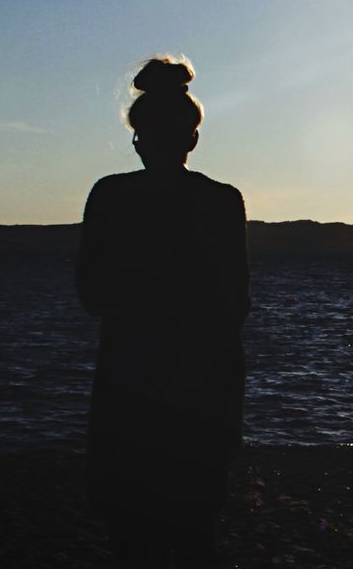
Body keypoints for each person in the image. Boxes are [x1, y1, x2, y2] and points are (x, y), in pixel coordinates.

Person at [78, 56, 250, 568]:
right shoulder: (222, 202)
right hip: (202, 391)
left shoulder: (109, 196)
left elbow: (91, 295)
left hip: (128, 389)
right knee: (196, 533)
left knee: (132, 541)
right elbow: (235, 305)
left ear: (138, 136)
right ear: (192, 139)